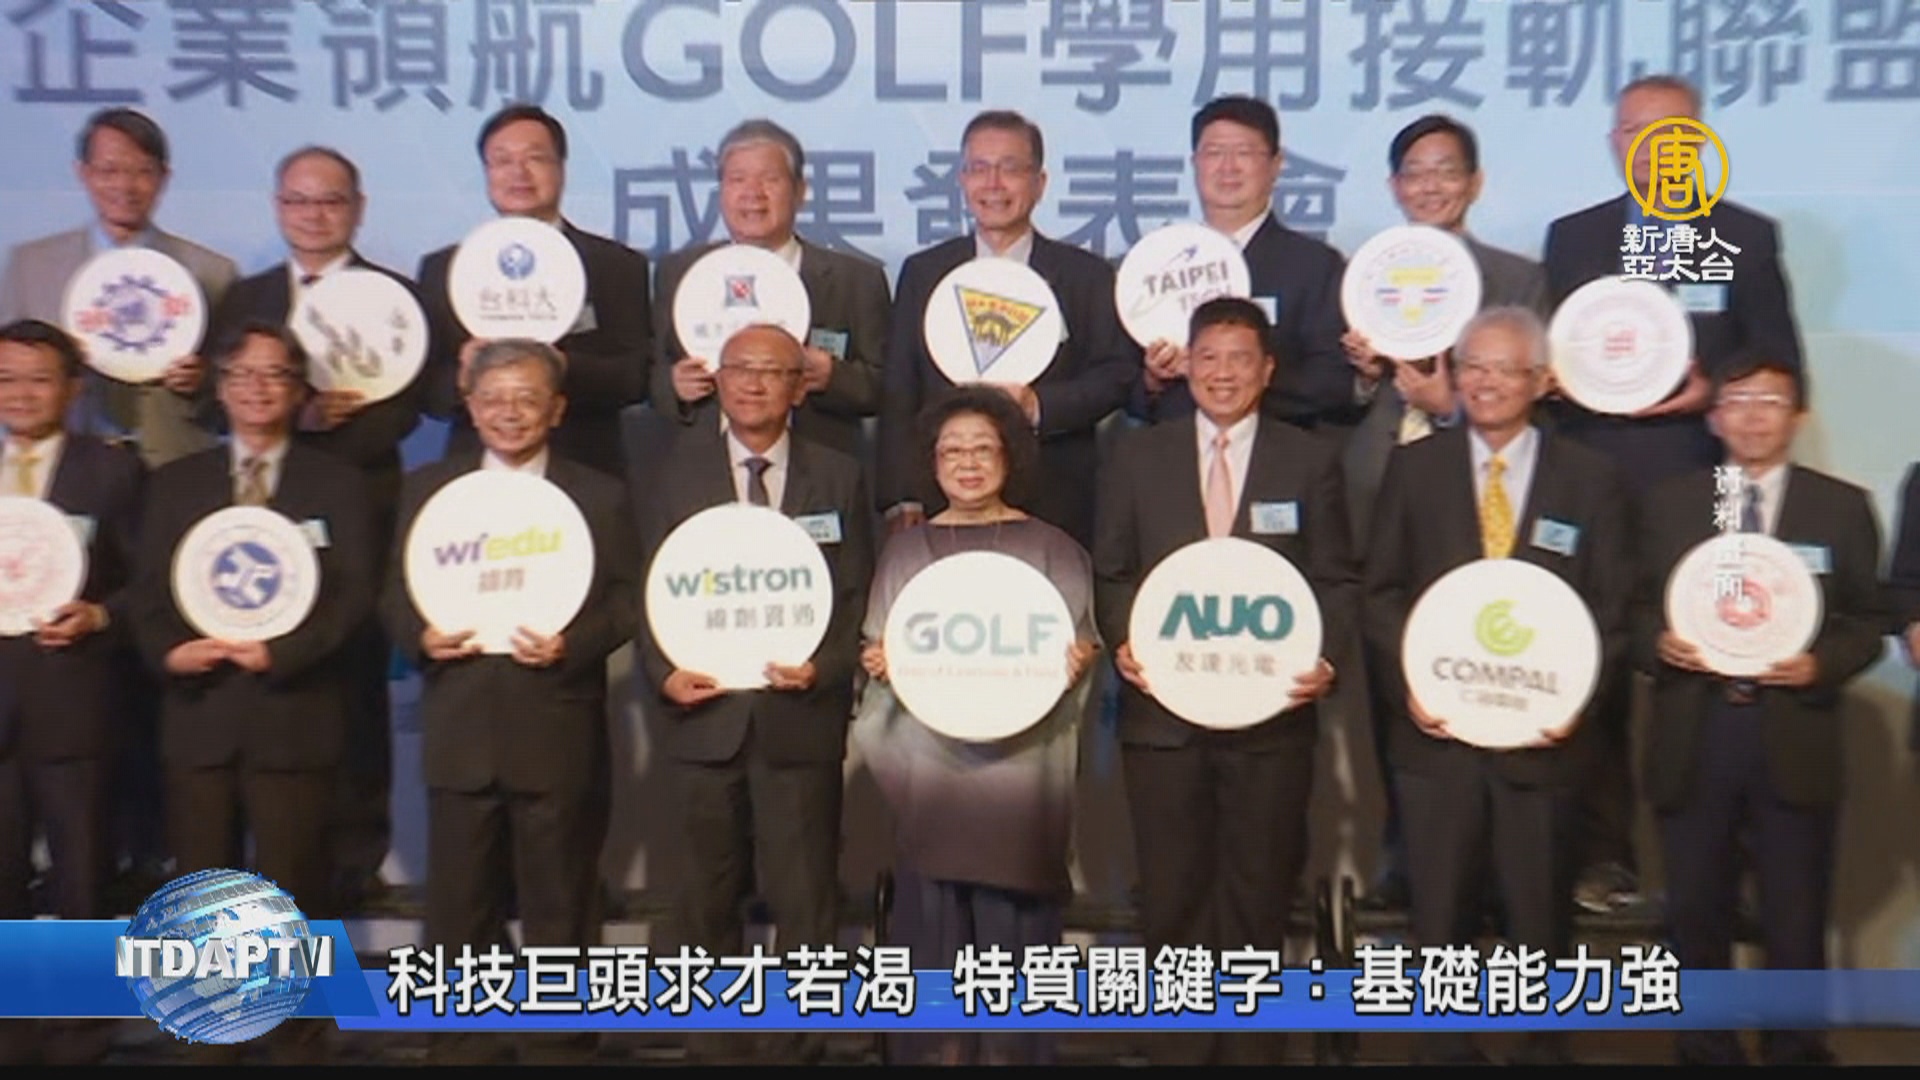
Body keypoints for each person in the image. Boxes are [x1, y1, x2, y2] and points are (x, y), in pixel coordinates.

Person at [1543, 74, 1805, 912]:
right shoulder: (1574, 237)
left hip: (1705, 482)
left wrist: (1710, 394)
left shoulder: (1745, 237)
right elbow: (1553, 358)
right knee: (1597, 666)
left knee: (1716, 660)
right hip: (1592, 480)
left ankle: (1728, 863)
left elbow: (1783, 369)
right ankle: (1604, 858)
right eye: (1632, 132)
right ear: (1613, 144)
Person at [1363, 307, 1629, 1065]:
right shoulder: (1415, 468)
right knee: (1439, 922)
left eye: (1505, 369)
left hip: (1544, 746)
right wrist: (1411, 685)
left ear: (1540, 381)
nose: (1485, 382)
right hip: (1438, 743)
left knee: (1539, 925)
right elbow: (1379, 594)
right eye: (1472, 365)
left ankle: (1539, 1053)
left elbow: (1614, 611)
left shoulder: (1592, 479)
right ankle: (1444, 1055)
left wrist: (1578, 699)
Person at [1094, 297, 1351, 1065]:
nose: (1223, 373)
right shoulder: (1138, 456)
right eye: (1208, 357)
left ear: (1267, 370)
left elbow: (1335, 579)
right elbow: (1112, 572)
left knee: (1259, 894)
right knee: (1171, 895)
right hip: (1162, 721)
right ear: (1186, 367)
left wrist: (1326, 657)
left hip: (1271, 723)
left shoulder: (1309, 459)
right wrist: (1124, 640)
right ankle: (1177, 1050)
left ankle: (1249, 1052)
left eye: (1240, 358)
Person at [381, 338, 635, 1065]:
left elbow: (627, 603)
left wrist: (572, 644)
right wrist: (420, 634)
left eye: (527, 398)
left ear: (557, 409)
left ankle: (559, 1042)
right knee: (459, 903)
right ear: (470, 406)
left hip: (556, 723)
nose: (509, 412)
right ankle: (460, 1041)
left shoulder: (599, 494)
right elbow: (393, 594)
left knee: (561, 900)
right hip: (460, 723)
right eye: (493, 398)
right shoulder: (428, 489)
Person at [129, 322, 373, 1062]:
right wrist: (172, 652)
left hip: (295, 714)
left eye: (275, 375)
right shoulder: (176, 483)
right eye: (242, 373)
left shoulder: (339, 482)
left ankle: (297, 1040)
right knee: (202, 895)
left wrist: (283, 652)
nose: (258, 388)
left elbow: (354, 597)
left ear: (299, 391)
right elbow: (147, 595)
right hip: (200, 715)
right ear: (221, 387)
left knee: (296, 890)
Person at [1636, 356, 1881, 1066]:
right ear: (1714, 416)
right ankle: (1704, 1046)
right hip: (1697, 729)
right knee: (1695, 909)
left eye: (1769, 401)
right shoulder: (1672, 502)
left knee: (1795, 911)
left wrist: (1820, 663)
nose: (1752, 415)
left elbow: (1869, 621)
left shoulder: (1840, 507)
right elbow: (1629, 607)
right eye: (1737, 400)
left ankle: (1795, 1046)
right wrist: (1658, 643)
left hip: (1792, 728)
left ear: (1797, 416)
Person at [638, 324, 872, 1064]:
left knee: (805, 899)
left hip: (798, 721)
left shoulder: (840, 476)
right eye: (740, 368)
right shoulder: (670, 471)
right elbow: (643, 589)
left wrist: (824, 668)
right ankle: (714, 1045)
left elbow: (857, 596)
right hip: (702, 719)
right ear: (718, 379)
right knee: (703, 897)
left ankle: (798, 1045)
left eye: (773, 371)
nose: (754, 383)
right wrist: (662, 670)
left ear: (799, 387)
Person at [208, 144, 427, 913]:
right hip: (252, 516)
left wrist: (334, 431)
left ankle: (358, 857)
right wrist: (286, 418)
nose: (314, 215)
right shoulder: (245, 297)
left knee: (356, 679)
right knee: (260, 682)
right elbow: (213, 403)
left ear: (357, 209)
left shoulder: (397, 297)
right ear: (278, 207)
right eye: (298, 201)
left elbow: (413, 409)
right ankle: (255, 855)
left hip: (358, 504)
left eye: (330, 200)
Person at [1341, 113, 1552, 909]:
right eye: (1415, 172)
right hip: (1382, 499)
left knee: (1493, 671)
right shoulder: (1366, 276)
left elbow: (1536, 396)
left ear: (1475, 182)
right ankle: (1404, 858)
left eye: (1446, 170)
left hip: (1484, 506)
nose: (1430, 185)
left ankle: (1501, 870)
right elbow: (1329, 401)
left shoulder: (1518, 279)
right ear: (1395, 186)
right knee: (1394, 683)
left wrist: (1448, 403)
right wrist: (1366, 373)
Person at [854, 384, 1099, 1066]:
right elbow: (878, 651)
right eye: (951, 451)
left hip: (1021, 782)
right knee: (932, 947)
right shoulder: (906, 551)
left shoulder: (1053, 548)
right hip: (929, 776)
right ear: (931, 463)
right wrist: (881, 663)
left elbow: (1077, 653)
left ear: (1010, 457)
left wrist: (1077, 663)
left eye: (982, 449)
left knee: (1016, 952)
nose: (967, 463)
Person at [876, 110, 1138, 548]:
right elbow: (900, 388)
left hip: (1057, 496)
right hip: (941, 501)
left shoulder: (1085, 275)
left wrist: (1038, 406)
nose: (993, 183)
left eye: (1010, 168)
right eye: (979, 168)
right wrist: (901, 495)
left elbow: (1115, 375)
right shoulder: (925, 272)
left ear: (1040, 182)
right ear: (962, 180)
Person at [0, 320, 143, 1067]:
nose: (20, 394)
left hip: (75, 703)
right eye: (5, 379)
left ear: (73, 388)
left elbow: (148, 586)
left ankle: (81, 1031)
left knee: (81, 874)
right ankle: (12, 1024)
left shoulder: (112, 470)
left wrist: (100, 616)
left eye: (38, 378)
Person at [417, 104, 651, 480]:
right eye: (502, 160)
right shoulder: (444, 269)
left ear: (561, 169)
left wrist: (563, 366)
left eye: (535, 158)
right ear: (487, 173)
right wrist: (465, 376)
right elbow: (427, 392)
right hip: (476, 472)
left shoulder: (616, 265)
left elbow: (635, 378)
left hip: (587, 468)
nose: (519, 172)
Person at [0, 107, 237, 468]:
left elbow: (239, 394)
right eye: (109, 171)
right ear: (83, 173)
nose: (125, 186)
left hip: (174, 464)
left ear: (164, 177)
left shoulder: (212, 272)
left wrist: (201, 381)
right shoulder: (31, 265)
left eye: (142, 171)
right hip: (63, 464)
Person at [651, 119, 890, 462]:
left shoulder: (854, 280)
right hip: (704, 467)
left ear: (800, 191)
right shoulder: (678, 273)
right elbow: (651, 373)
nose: (753, 193)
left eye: (770, 179)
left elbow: (889, 387)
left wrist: (833, 377)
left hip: (822, 469)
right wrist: (673, 386)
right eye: (737, 179)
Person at [1130, 96, 1348, 432]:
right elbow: (1124, 386)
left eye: (1244, 153)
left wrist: (1239, 380)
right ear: (1195, 163)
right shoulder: (1156, 264)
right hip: (1174, 452)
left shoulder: (1316, 266)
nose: (1228, 167)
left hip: (1279, 450)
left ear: (1276, 164)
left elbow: (1332, 381)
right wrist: (1153, 379)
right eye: (1214, 153)